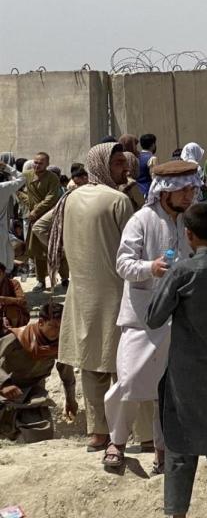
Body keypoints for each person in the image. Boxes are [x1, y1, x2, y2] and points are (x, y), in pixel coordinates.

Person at [104, 160, 207, 471]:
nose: (191, 195)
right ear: (166, 192)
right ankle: (117, 441)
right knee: (129, 381)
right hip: (142, 317)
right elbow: (123, 264)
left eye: (193, 188)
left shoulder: (190, 221)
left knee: (169, 387)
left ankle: (163, 451)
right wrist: (150, 268)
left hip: (178, 317)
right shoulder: (141, 221)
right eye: (185, 190)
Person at [145, 203, 207, 518]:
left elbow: (154, 318)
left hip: (185, 376)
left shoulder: (182, 271)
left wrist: (166, 277)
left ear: (188, 235)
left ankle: (176, 513)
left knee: (180, 447)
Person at [33, 142, 134, 452]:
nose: (124, 169)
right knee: (125, 365)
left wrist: (70, 257)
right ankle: (133, 435)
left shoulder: (69, 198)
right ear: (103, 164)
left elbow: (40, 226)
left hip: (82, 293)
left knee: (91, 364)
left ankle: (98, 434)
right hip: (117, 292)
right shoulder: (119, 200)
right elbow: (135, 247)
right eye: (118, 163)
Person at [0, 302, 76, 443]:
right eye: (54, 327)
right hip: (4, 390)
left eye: (62, 327)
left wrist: (70, 400)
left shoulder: (60, 345)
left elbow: (67, 375)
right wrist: (4, 384)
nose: (58, 332)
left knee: (41, 433)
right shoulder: (16, 338)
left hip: (32, 393)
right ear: (41, 322)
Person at [18, 152, 64, 291]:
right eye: (35, 162)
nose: (37, 165)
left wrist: (36, 210)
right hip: (34, 218)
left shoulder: (52, 178)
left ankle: (65, 277)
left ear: (47, 164)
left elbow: (51, 197)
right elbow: (17, 190)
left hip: (50, 217)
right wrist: (29, 203)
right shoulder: (26, 175)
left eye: (40, 163)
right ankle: (40, 280)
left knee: (56, 247)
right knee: (38, 252)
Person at [0, 163, 25, 277]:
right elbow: (23, 178)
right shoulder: (4, 187)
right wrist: (6, 167)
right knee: (4, 266)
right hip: (2, 232)